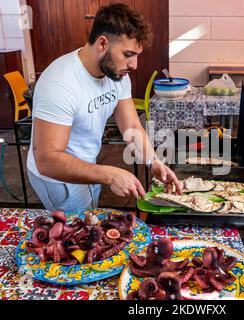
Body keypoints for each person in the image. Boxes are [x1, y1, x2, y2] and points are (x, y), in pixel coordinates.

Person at [27, 3, 182, 212]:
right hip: (57, 178)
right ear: (102, 44)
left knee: (92, 220)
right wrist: (109, 174)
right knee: (77, 236)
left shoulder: (116, 74)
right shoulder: (60, 83)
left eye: (137, 55)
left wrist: (153, 162)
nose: (134, 65)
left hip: (89, 165)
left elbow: (132, 126)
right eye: (128, 54)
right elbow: (47, 160)